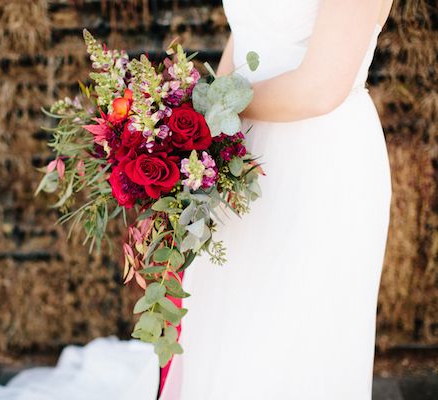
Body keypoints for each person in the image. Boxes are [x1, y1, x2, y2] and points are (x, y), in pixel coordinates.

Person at [159, 0, 393, 398]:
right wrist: (201, 134)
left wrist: (208, 107)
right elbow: (248, 31)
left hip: (318, 162)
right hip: (238, 154)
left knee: (291, 343)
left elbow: (321, 87)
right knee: (227, 333)